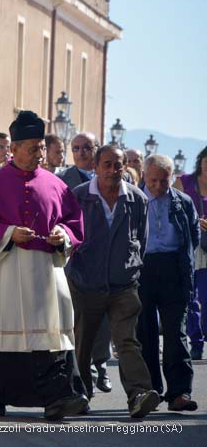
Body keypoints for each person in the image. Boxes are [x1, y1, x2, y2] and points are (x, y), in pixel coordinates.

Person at [0, 110, 88, 420]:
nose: (39, 154)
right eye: (33, 148)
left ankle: (56, 398)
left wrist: (63, 234)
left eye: (42, 147)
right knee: (1, 335)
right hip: (4, 268)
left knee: (48, 337)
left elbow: (72, 222)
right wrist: (9, 232)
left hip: (45, 270)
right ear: (14, 149)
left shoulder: (56, 185)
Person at [66, 145, 160, 417]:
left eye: (117, 165)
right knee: (82, 343)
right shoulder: (79, 196)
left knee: (127, 341)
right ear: (95, 167)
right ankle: (80, 393)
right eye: (106, 164)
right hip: (85, 282)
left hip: (123, 285)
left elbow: (141, 242)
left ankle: (139, 394)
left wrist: (131, 269)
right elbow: (69, 236)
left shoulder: (137, 199)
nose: (112, 170)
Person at [137, 154, 200, 411]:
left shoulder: (183, 202)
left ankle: (179, 393)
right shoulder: (134, 199)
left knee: (176, 333)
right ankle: (149, 391)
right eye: (153, 180)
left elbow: (192, 237)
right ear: (144, 176)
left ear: (172, 177)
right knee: (145, 333)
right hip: (142, 268)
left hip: (174, 270)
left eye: (164, 181)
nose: (159, 186)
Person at [57, 131, 112, 393]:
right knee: (78, 319)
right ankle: (85, 372)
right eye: (76, 148)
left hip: (105, 259)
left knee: (103, 318)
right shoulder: (62, 181)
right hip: (76, 260)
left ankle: (101, 365)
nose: (81, 152)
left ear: (96, 150)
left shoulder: (111, 178)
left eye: (86, 147)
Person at [174, 146, 207, 361]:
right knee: (192, 297)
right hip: (190, 245)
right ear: (200, 161)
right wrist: (194, 221)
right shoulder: (184, 182)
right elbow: (171, 209)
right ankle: (196, 341)